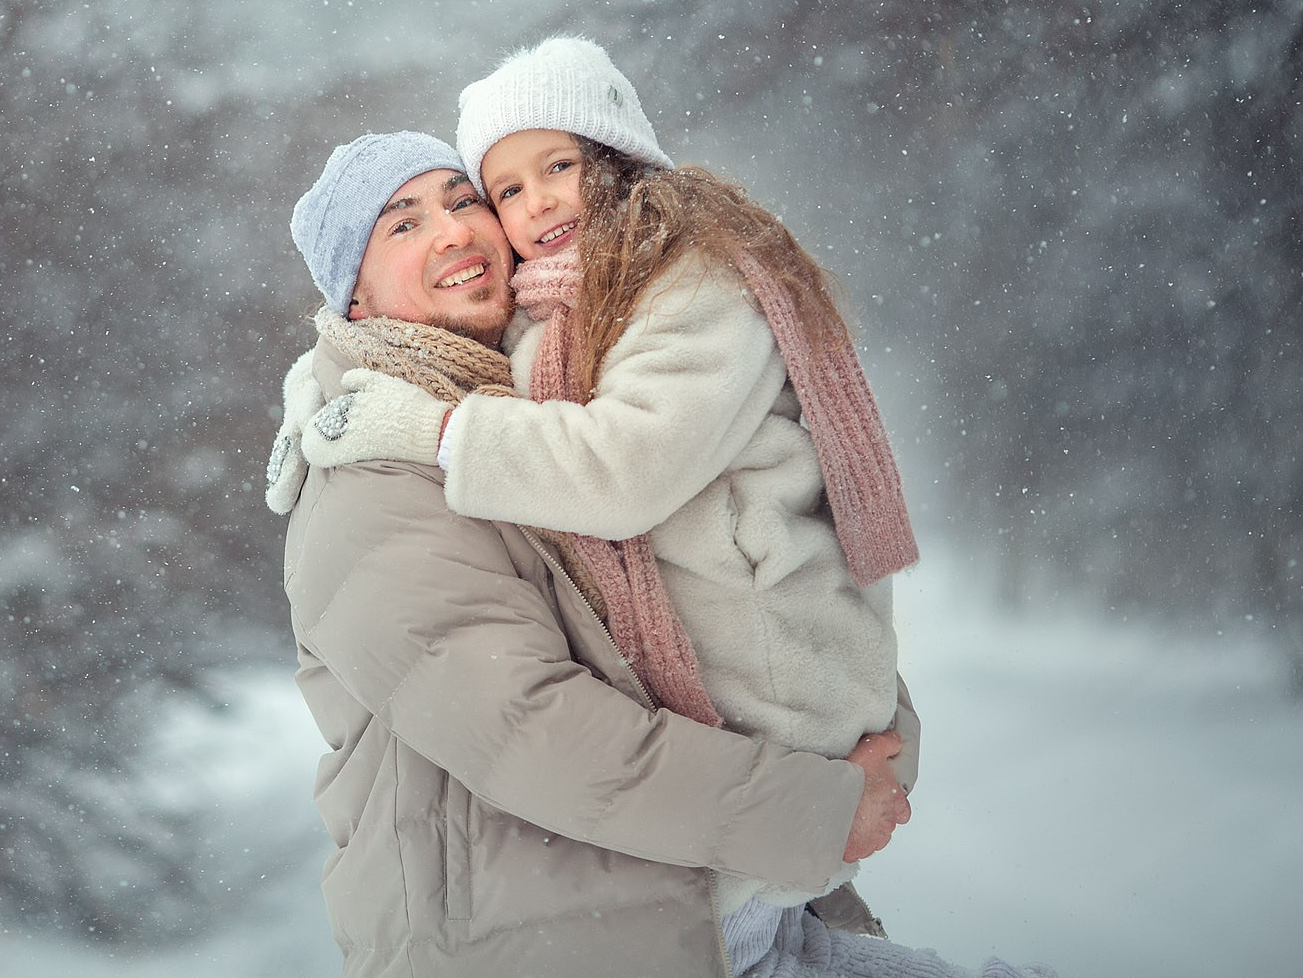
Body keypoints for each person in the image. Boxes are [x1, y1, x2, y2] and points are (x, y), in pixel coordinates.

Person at [284, 50, 1055, 977]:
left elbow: (713, 584)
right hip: (529, 947)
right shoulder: (375, 474)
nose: (456, 229)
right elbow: (542, 735)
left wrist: (864, 731)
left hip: (671, 910)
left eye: (462, 199)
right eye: (402, 223)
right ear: (353, 296)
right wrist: (816, 806)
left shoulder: (547, 398)